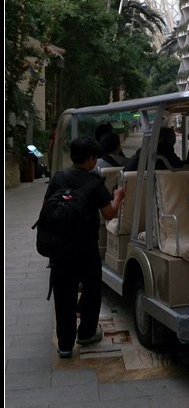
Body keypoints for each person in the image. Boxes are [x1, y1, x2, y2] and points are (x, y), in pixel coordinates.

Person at [45, 136, 124, 358]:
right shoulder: (95, 183)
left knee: (64, 297)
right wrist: (118, 196)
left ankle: (65, 345)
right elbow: (109, 213)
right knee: (91, 292)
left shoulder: (58, 179)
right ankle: (87, 333)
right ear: (90, 159)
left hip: (60, 249)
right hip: (86, 249)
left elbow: (46, 208)